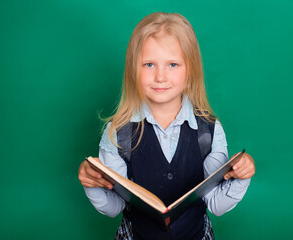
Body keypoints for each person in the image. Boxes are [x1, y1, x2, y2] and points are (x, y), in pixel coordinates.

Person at [78, 12, 255, 240]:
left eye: (173, 64)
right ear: (134, 70)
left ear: (190, 71)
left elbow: (217, 204)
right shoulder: (117, 131)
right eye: (149, 64)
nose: (160, 76)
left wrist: (242, 175)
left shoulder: (209, 130)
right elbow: (112, 208)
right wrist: (91, 183)